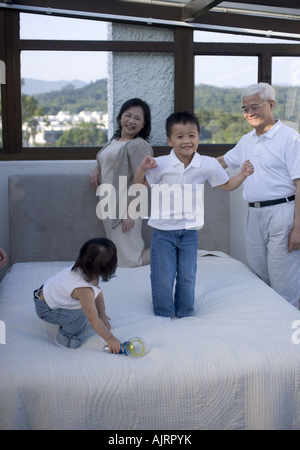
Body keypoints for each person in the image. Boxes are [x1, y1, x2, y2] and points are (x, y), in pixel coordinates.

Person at [134, 110, 253, 318]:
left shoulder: (208, 164)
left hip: (189, 231)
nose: (187, 141)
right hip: (163, 232)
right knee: (163, 275)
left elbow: (227, 185)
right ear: (170, 141)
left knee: (187, 275)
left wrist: (242, 174)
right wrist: (143, 169)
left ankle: (185, 313)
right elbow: (137, 186)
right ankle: (163, 313)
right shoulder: (160, 163)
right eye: (180, 136)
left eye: (192, 135)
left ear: (198, 137)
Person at [217, 82, 300, 309]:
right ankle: (267, 327)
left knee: (284, 282)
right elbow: (221, 163)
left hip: (283, 214)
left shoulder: (290, 138)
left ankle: (288, 336)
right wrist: (184, 164)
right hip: (254, 214)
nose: (250, 113)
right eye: (245, 109)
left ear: (271, 104)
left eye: (255, 107)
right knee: (259, 275)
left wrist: (298, 228)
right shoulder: (247, 140)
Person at [89, 98, 153, 268]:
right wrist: (95, 168)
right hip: (109, 205)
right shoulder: (114, 142)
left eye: (137, 118)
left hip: (125, 207)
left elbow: (145, 180)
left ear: (143, 124)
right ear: (120, 117)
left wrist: (131, 211)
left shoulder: (138, 145)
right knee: (119, 256)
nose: (131, 121)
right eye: (128, 115)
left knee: (131, 260)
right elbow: (108, 163)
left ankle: (169, 251)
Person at [33, 238, 121, 352]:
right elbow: (93, 320)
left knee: (86, 309)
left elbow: (98, 292)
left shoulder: (84, 268)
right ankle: (64, 342)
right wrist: (110, 338)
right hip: (45, 309)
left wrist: (102, 313)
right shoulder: (85, 291)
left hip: (46, 293)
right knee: (79, 317)